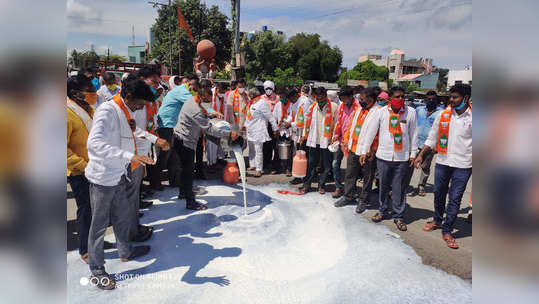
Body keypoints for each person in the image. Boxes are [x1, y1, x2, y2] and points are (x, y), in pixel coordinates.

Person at [85, 79, 157, 290]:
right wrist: (130, 156)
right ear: (128, 97)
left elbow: (125, 136)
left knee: (123, 216)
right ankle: (97, 270)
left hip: (117, 175)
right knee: (98, 226)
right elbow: (94, 143)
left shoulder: (124, 111)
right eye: (140, 103)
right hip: (102, 179)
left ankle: (125, 252)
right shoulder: (108, 110)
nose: (142, 107)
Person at [416, 84, 472, 249]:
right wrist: (421, 154)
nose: (452, 100)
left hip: (464, 164)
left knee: (455, 198)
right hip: (442, 161)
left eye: (455, 97)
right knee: (439, 193)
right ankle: (437, 220)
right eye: (451, 97)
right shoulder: (443, 115)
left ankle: (447, 230)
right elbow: (432, 137)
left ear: (466, 98)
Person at [67, 74, 114, 264]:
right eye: (90, 90)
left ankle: (96, 242)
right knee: (86, 210)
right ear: (75, 93)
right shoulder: (66, 113)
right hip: (81, 171)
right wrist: (84, 166)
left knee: (99, 210)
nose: (94, 94)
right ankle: (85, 249)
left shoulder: (90, 109)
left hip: (97, 167)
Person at [359, 86, 418, 231]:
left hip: (401, 158)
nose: (400, 99)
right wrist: (364, 151)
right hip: (383, 156)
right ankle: (382, 210)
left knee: (399, 188)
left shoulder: (410, 112)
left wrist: (413, 154)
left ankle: (399, 216)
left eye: (402, 96)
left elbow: (414, 133)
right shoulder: (381, 112)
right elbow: (371, 132)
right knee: (383, 186)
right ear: (390, 99)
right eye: (397, 97)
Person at [174, 79, 239, 209]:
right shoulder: (195, 110)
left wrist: (211, 112)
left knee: (185, 170)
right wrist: (228, 134)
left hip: (180, 138)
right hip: (185, 141)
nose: (208, 103)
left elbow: (205, 110)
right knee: (188, 172)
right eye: (207, 100)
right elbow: (210, 129)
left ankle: (183, 193)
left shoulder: (193, 99)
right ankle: (190, 202)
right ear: (202, 97)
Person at [334, 88, 379, 213]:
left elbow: (378, 134)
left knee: (367, 177)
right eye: (360, 99)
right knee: (350, 174)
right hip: (354, 148)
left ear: (371, 100)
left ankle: (364, 201)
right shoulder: (359, 109)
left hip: (368, 151)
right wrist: (346, 141)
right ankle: (348, 196)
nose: (360, 101)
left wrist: (372, 150)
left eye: (363, 99)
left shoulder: (378, 112)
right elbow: (351, 127)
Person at [155, 72, 193, 190]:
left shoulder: (183, 91)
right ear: (187, 83)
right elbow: (195, 104)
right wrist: (212, 113)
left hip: (174, 126)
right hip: (167, 125)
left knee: (175, 155)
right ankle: (156, 183)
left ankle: (175, 181)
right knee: (165, 155)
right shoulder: (182, 91)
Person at [298, 87, 338, 194]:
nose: (320, 100)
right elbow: (307, 122)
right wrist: (303, 135)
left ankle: (321, 185)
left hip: (327, 140)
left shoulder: (333, 107)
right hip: (314, 139)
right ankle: (306, 185)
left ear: (325, 96)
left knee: (326, 165)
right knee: (311, 164)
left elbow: (337, 124)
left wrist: (334, 138)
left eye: (321, 98)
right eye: (318, 98)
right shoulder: (312, 107)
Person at [405, 90, 443, 196]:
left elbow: (442, 130)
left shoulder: (441, 113)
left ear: (437, 100)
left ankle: (421, 186)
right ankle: (404, 185)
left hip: (429, 145)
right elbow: (412, 124)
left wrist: (437, 146)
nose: (431, 101)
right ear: (425, 100)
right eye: (428, 99)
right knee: (409, 164)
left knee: (425, 167)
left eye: (433, 99)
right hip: (415, 142)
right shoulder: (418, 110)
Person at [330, 87, 359, 198]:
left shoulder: (358, 107)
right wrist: (335, 135)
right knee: (335, 164)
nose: (343, 101)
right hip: (341, 140)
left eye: (344, 98)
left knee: (352, 168)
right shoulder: (341, 106)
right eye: (341, 99)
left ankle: (351, 189)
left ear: (351, 96)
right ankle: (338, 187)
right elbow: (339, 122)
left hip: (352, 142)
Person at [246, 87, 279, 177]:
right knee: (252, 149)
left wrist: (275, 128)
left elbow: (270, 117)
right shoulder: (252, 103)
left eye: (249, 95)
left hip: (259, 130)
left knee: (258, 150)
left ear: (253, 95)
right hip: (251, 129)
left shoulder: (262, 103)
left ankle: (259, 169)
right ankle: (253, 165)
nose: (248, 96)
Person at [289, 85, 314, 184]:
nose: (290, 101)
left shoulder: (305, 102)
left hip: (304, 133)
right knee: (297, 155)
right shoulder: (295, 103)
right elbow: (293, 116)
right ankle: (298, 175)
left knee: (303, 155)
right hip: (297, 132)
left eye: (291, 99)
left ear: (294, 96)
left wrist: (291, 124)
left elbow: (305, 120)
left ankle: (303, 176)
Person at [272, 87, 300, 176]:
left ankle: (288, 169)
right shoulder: (277, 105)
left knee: (290, 151)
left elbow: (293, 117)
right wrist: (275, 129)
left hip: (289, 130)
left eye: (283, 97)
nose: (282, 98)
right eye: (280, 97)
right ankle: (276, 167)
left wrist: (288, 123)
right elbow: (274, 118)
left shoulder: (292, 105)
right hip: (280, 130)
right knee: (277, 150)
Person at [206, 82, 228, 172]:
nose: (223, 93)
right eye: (222, 91)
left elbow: (225, 108)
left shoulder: (224, 96)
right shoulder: (209, 94)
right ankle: (211, 163)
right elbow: (206, 107)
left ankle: (219, 158)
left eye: (224, 91)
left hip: (221, 122)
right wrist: (214, 113)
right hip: (211, 121)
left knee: (221, 142)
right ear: (217, 89)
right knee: (211, 143)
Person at [260, 80, 280, 173]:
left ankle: (275, 166)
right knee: (266, 146)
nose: (268, 90)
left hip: (274, 125)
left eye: (270, 88)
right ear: (264, 89)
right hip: (264, 125)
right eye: (267, 89)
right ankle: (265, 165)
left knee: (275, 146)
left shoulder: (277, 98)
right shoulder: (261, 98)